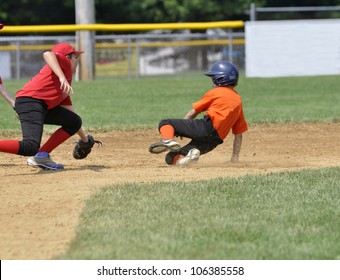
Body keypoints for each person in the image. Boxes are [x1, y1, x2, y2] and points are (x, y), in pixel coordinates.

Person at [0, 42, 93, 170]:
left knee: (74, 121)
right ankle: (38, 155)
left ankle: (42, 156)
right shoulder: (64, 67)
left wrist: (85, 140)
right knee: (30, 146)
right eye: (75, 57)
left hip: (36, 106)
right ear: (67, 58)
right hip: (31, 103)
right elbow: (48, 54)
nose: (77, 62)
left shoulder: (65, 84)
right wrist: (62, 78)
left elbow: (73, 119)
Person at [149, 61, 248, 166]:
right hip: (214, 141)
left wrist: (182, 128)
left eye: (213, 78)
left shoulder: (216, 92)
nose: (212, 83)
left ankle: (167, 140)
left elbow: (193, 112)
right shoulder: (238, 101)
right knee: (171, 156)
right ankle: (189, 157)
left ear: (219, 78)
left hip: (205, 127)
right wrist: (234, 158)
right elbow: (238, 134)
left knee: (165, 122)